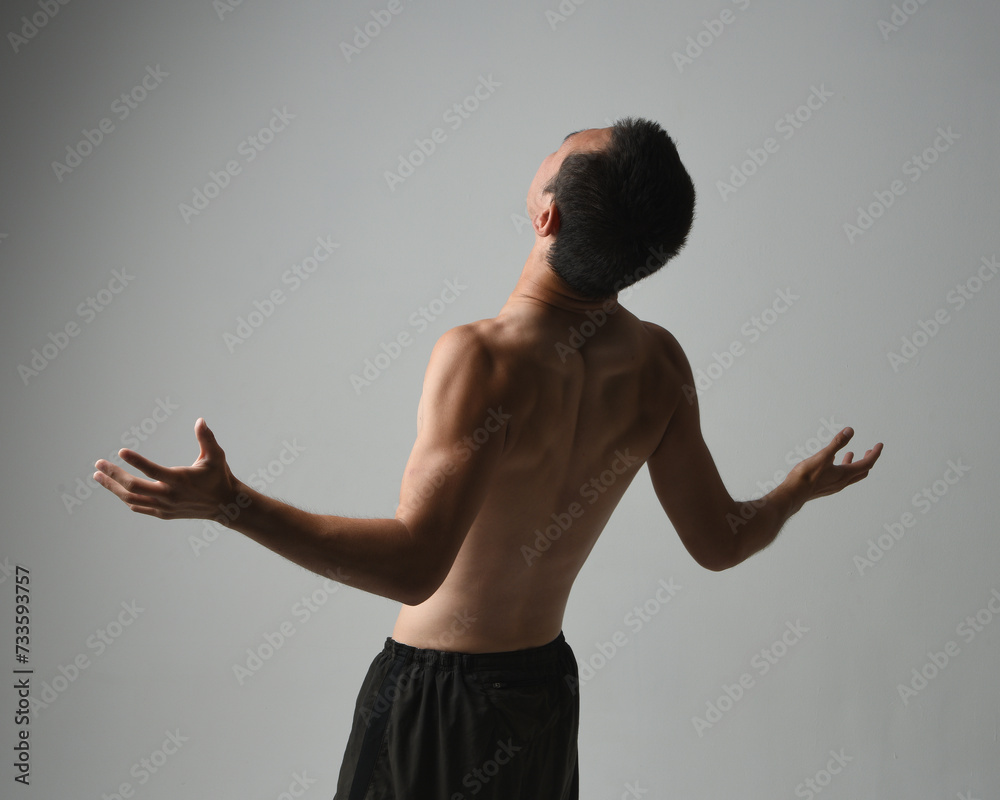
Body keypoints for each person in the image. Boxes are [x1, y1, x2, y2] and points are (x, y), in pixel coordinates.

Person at [94, 117, 883, 799]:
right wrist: (795, 489)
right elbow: (721, 542)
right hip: (543, 693)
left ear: (546, 215)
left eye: (561, 148)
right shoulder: (659, 365)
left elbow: (415, 566)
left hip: (436, 700)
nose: (552, 148)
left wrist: (232, 504)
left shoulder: (482, 359)